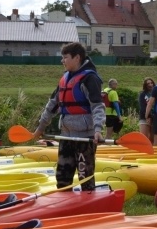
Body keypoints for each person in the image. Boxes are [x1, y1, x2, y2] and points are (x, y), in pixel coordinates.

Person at [32, 42, 105, 191]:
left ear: (77, 58)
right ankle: (64, 202)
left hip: (85, 137)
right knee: (62, 177)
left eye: (65, 57)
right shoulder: (65, 79)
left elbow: (97, 106)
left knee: (85, 176)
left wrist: (98, 129)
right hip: (66, 136)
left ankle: (89, 206)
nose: (62, 61)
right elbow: (52, 104)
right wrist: (41, 127)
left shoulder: (90, 79)